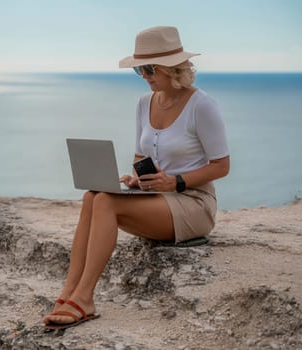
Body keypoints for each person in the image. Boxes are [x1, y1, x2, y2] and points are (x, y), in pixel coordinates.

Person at [42, 26, 230, 330]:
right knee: (92, 196)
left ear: (171, 67)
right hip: (157, 199)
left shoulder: (202, 105)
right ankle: (67, 293)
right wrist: (138, 179)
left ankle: (85, 298)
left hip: (193, 203)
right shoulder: (145, 102)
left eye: (148, 68)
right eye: (139, 69)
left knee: (106, 203)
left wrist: (176, 182)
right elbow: (141, 156)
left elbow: (221, 166)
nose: (143, 75)